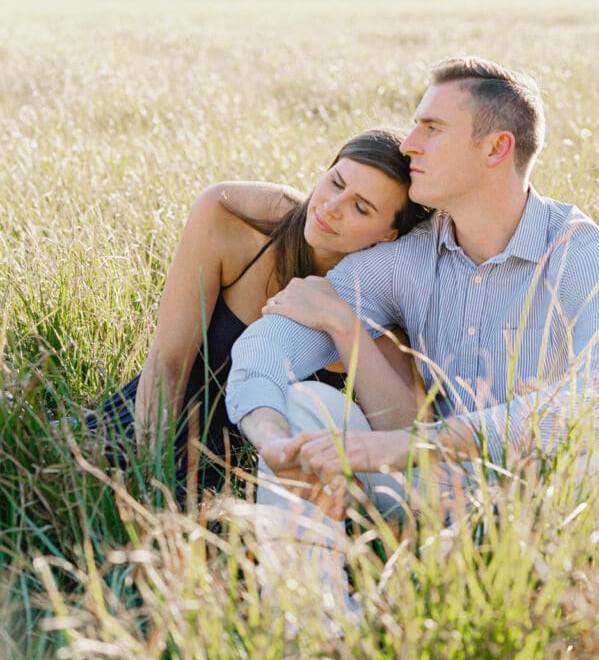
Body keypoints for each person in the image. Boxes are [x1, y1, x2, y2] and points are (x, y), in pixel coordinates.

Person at [225, 57, 599, 597]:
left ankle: (542, 614)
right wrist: (273, 439)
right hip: (430, 493)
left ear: (497, 148)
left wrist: (410, 445)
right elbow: (269, 345)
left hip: (542, 496)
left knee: (596, 465)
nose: (409, 145)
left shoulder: (588, 256)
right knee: (307, 407)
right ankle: (315, 628)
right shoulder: (406, 259)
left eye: (432, 129)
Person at [86, 129, 431, 485]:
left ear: (390, 235)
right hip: (148, 429)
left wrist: (342, 323)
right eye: (336, 183)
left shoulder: (382, 301)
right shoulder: (235, 218)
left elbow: (411, 434)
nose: (331, 208)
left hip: (265, 478)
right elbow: (167, 363)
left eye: (360, 207)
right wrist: (155, 480)